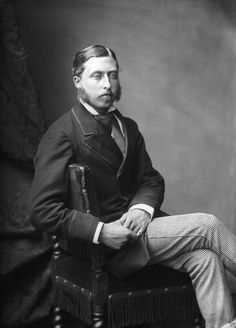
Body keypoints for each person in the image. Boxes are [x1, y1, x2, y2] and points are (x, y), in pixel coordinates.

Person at [29, 44, 236, 328]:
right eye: (97, 76)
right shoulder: (61, 134)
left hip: (142, 229)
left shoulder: (128, 127)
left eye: (112, 75)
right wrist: (101, 232)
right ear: (78, 81)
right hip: (110, 244)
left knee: (206, 259)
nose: (107, 84)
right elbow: (42, 211)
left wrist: (142, 209)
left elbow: (150, 179)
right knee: (207, 225)